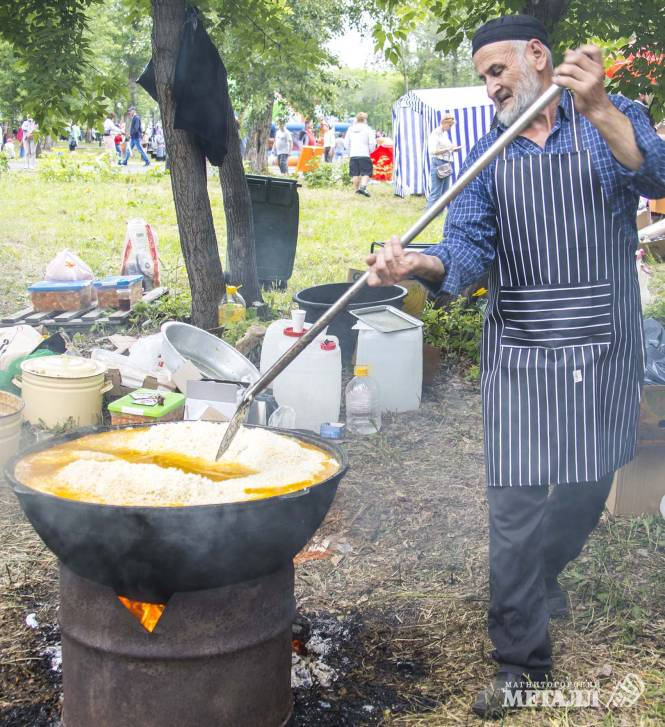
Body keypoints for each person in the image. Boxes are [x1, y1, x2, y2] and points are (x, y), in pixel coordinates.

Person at [365, 14, 665, 720]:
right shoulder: (486, 149)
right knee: (516, 502)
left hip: (601, 339)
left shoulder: (612, 115)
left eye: (497, 71)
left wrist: (594, 106)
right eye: (482, 78)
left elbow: (653, 173)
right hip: (523, 346)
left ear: (537, 55)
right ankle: (519, 659)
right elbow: (465, 253)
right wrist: (416, 263)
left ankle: (540, 575)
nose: (490, 87)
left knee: (590, 482)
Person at [427, 114, 460, 208]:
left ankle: (439, 213)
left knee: (444, 192)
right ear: (444, 123)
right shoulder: (435, 133)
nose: (450, 128)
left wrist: (453, 149)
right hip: (438, 162)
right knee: (436, 192)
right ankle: (429, 215)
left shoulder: (444, 133)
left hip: (446, 163)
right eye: (449, 125)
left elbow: (447, 147)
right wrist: (448, 149)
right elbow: (432, 151)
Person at [345, 112, 376, 197]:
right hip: (364, 154)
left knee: (355, 173)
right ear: (365, 119)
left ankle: (356, 190)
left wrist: (349, 152)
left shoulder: (350, 129)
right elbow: (372, 143)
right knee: (366, 172)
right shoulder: (368, 129)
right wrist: (370, 151)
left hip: (353, 154)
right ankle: (363, 188)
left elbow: (346, 143)